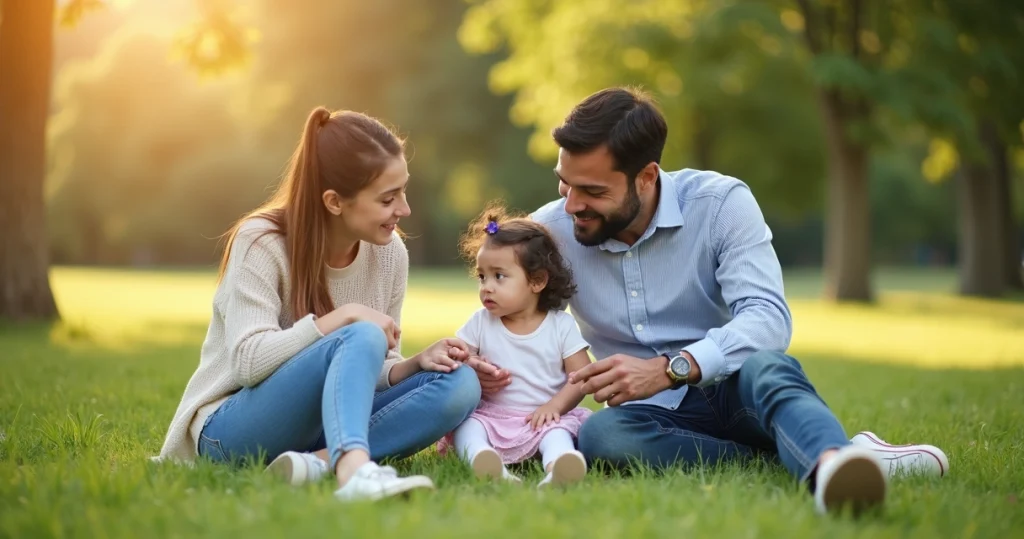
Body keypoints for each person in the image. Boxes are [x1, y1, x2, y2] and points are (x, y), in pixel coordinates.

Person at [474, 87, 948, 515]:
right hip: (652, 419)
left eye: (593, 191)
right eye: (565, 182)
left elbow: (768, 319)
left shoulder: (721, 204)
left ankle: (829, 471)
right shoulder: (550, 233)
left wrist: (668, 369)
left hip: (736, 389)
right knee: (602, 436)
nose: (572, 203)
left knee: (769, 367)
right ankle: (827, 454)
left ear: (646, 177)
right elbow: (505, 302)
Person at [155, 107, 483, 502]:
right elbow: (247, 361)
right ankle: (354, 471)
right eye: (388, 198)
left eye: (404, 191)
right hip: (233, 431)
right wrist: (338, 320)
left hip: (324, 425)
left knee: (461, 382)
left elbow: (365, 368)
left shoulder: (390, 253)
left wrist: (413, 365)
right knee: (359, 333)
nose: (405, 209)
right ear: (333, 202)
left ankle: (317, 463)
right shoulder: (261, 242)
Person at [437, 204, 593, 488]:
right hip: (492, 416)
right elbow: (458, 358)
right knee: (468, 427)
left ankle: (560, 466)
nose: (486, 287)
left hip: (541, 418)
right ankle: (484, 461)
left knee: (555, 435)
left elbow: (582, 377)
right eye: (482, 276)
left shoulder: (560, 325)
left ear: (537, 280)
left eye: (499, 276)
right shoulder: (481, 322)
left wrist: (554, 406)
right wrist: (472, 364)